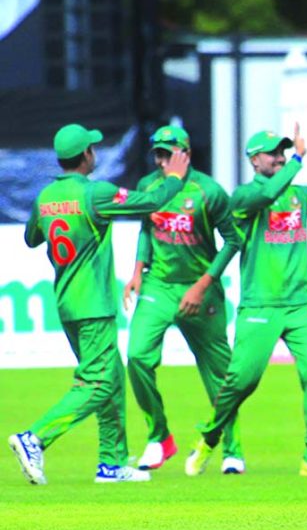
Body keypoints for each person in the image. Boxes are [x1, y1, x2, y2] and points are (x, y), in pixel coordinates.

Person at [9, 123, 188, 484]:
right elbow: (151, 203)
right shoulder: (95, 193)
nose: (96, 153)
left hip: (67, 303)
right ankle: (35, 438)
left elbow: (31, 238)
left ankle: (112, 462)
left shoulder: (46, 197)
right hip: (94, 303)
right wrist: (175, 178)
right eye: (93, 148)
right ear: (86, 155)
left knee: (111, 378)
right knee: (98, 382)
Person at [185, 124, 307, 477]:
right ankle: (209, 435)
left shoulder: (298, 194)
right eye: (273, 153)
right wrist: (298, 158)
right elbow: (266, 196)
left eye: (284, 151)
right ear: (254, 160)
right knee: (242, 381)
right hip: (259, 305)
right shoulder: (243, 198)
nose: (280, 157)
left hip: (300, 304)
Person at [123, 125, 244, 474]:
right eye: (157, 154)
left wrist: (203, 284)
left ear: (185, 153)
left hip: (200, 290)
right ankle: (159, 436)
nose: (161, 161)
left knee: (220, 375)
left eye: (168, 153)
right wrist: (137, 270)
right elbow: (147, 228)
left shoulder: (208, 191)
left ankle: (232, 449)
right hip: (159, 286)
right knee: (137, 357)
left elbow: (232, 241)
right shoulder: (149, 186)